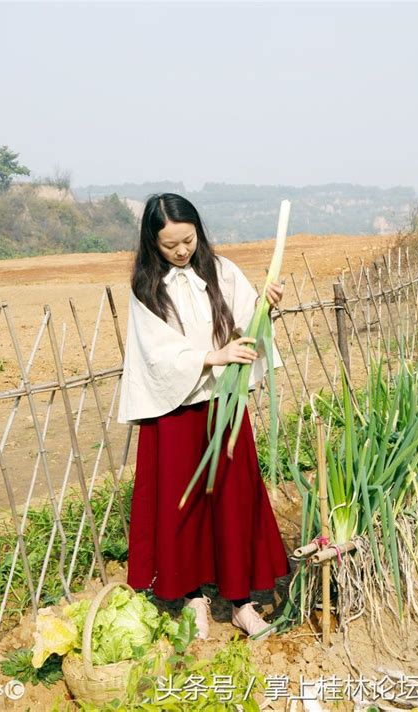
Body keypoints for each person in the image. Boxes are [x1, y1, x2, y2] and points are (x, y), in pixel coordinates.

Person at [117, 193, 290, 640]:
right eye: (170, 244)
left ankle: (240, 602)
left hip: (223, 407)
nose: (181, 251)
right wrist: (213, 356)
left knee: (233, 502)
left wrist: (268, 304)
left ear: (198, 232)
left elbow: (249, 324)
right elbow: (157, 355)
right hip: (176, 414)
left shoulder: (221, 271)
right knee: (184, 506)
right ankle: (193, 597)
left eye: (188, 240)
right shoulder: (146, 290)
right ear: (152, 243)